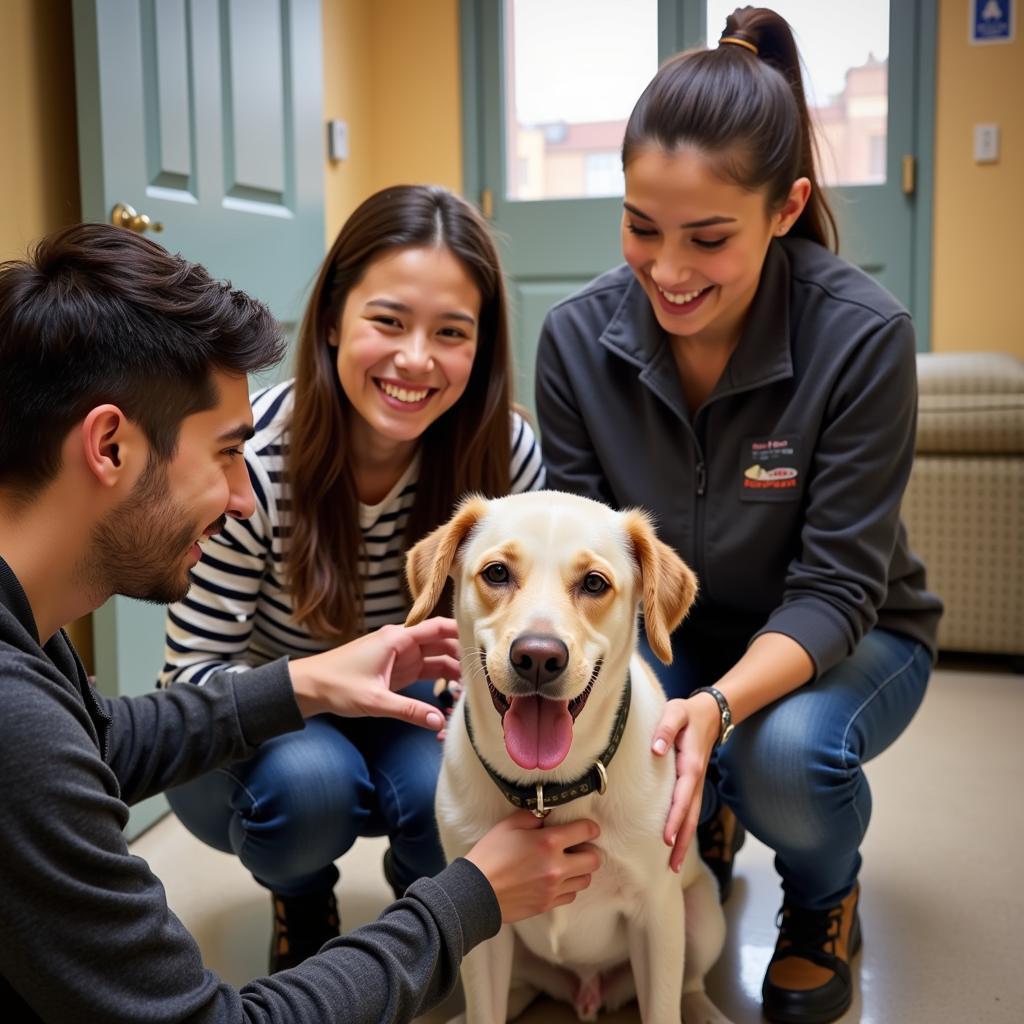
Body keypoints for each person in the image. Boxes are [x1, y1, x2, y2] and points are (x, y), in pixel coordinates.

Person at [0, 223, 602, 1023]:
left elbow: (97, 739)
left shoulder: (31, 655)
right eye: (223, 454)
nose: (244, 497)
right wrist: (467, 899)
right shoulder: (19, 732)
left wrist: (306, 680)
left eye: (452, 331)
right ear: (110, 445)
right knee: (309, 786)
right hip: (282, 775)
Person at [534, 8, 942, 1024]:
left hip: (850, 633)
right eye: (640, 227)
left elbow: (838, 585)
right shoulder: (573, 341)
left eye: (708, 237)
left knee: (785, 761)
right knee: (597, 721)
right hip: (666, 629)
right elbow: (591, 569)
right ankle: (701, 814)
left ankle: (818, 899)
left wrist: (711, 713)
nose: (668, 271)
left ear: (784, 206)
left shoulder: (863, 337)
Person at [158, 184, 547, 972]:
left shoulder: (505, 457)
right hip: (280, 713)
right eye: (388, 321)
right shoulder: (255, 458)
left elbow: (522, 632)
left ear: (482, 346)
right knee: (312, 785)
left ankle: (427, 911)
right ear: (333, 319)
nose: (415, 359)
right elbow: (191, 679)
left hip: (420, 712)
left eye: (451, 332)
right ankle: (302, 900)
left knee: (451, 784)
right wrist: (320, 684)